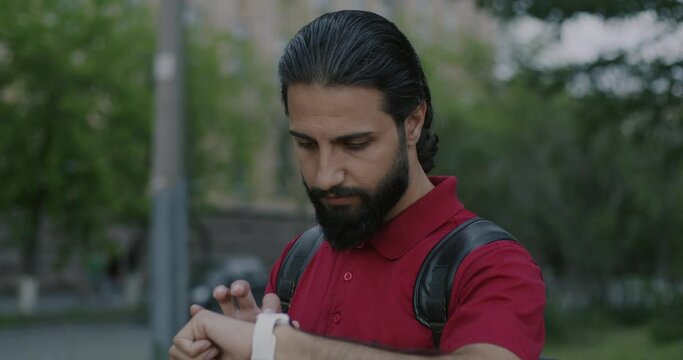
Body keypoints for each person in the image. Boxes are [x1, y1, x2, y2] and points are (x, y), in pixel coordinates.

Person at [169, 10, 545, 360]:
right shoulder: (299, 258)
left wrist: (277, 345)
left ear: (413, 122)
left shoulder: (492, 266)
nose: (324, 176)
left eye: (354, 144)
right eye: (306, 144)